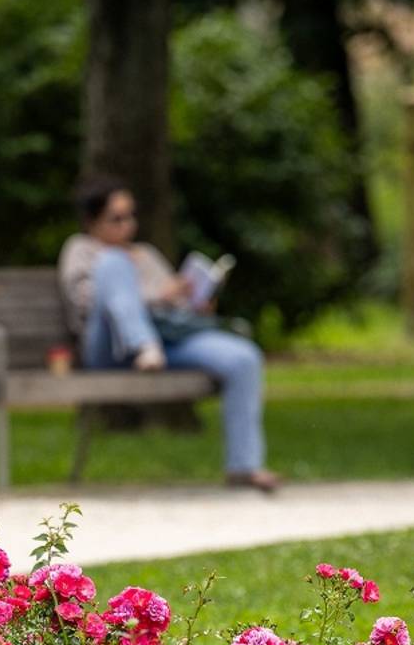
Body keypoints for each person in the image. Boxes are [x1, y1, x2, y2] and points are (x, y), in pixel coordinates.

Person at [58, 177, 281, 492]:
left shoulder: (145, 254)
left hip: (164, 343)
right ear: (92, 221)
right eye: (116, 218)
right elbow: (87, 302)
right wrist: (156, 297)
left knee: (244, 357)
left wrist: (194, 303)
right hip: (109, 346)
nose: (127, 226)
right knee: (113, 262)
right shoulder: (83, 251)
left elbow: (172, 306)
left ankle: (244, 467)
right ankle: (142, 343)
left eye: (130, 216)